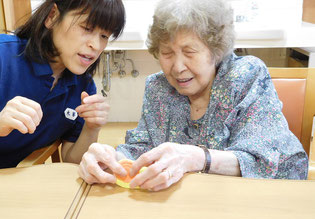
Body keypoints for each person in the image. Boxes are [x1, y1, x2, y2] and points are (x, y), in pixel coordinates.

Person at [78, 0, 308, 191]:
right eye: (167, 53)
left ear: (215, 49)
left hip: (258, 199)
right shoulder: (158, 87)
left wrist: (196, 158)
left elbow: (263, 160)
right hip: (186, 204)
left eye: (190, 52)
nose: (178, 67)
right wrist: (111, 159)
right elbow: (142, 147)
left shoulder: (246, 76)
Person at [0, 0, 125, 168]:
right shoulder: (4, 54)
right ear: (52, 16)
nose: (95, 46)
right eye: (87, 28)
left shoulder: (83, 87)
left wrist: (92, 128)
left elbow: (71, 159)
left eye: (104, 36)